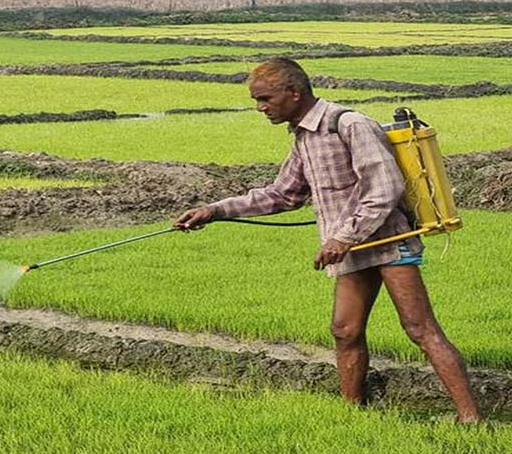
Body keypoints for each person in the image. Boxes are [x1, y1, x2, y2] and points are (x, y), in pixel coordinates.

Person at [175, 58, 482, 423]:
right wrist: (216, 210)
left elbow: (385, 189)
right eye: (257, 100)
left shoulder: (348, 124)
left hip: (387, 242)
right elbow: (283, 194)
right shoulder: (304, 137)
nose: (261, 108)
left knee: (420, 328)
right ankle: (352, 414)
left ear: (294, 92)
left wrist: (342, 237)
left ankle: (470, 417)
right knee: (344, 330)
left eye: (265, 98)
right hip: (350, 249)